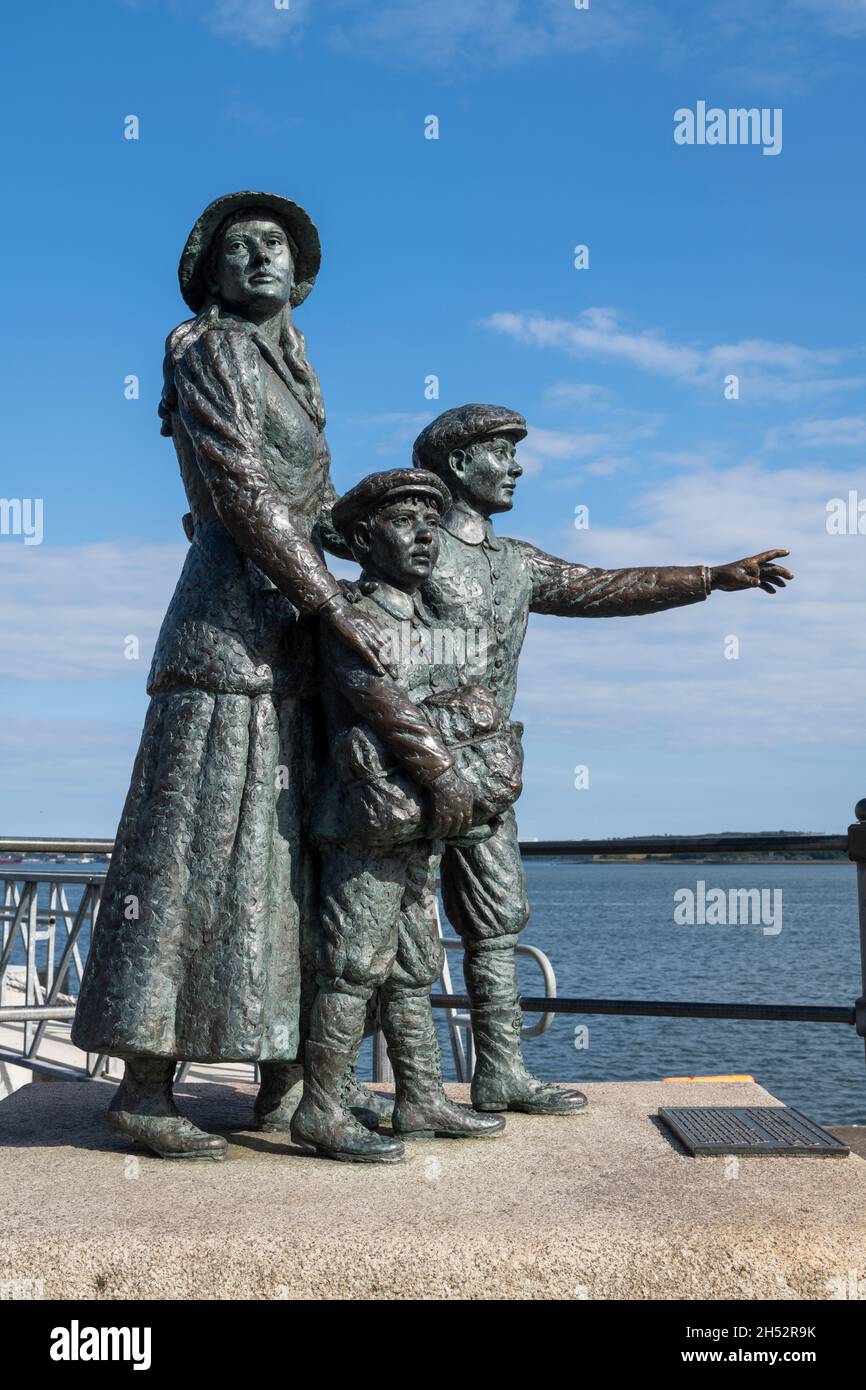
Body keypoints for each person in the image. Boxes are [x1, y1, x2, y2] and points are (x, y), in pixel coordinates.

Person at [72, 192, 391, 1159]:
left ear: (301, 275)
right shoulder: (208, 351)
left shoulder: (295, 372)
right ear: (208, 274)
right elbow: (244, 497)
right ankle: (144, 1086)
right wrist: (332, 603)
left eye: (277, 245)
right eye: (239, 246)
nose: (261, 255)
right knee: (193, 851)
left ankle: (285, 1082)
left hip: (289, 637)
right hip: (226, 631)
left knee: (285, 858)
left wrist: (412, 529)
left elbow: (317, 507)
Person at [412, 403, 794, 1116]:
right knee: (394, 928)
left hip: (490, 772)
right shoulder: (410, 547)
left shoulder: (518, 563)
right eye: (502, 451)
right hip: (409, 764)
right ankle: (407, 1090)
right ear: (459, 464)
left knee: (497, 923)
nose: (518, 466)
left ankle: (499, 1073)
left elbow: (604, 588)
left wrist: (711, 577)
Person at [292, 469, 515, 1162]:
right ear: (363, 539)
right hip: (369, 818)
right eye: (403, 521)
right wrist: (445, 768)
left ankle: (419, 1098)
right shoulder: (351, 618)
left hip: (422, 822)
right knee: (353, 965)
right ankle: (323, 1108)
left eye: (430, 520)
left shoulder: (434, 620)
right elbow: (385, 701)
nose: (423, 534)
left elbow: (469, 698)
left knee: (415, 964)